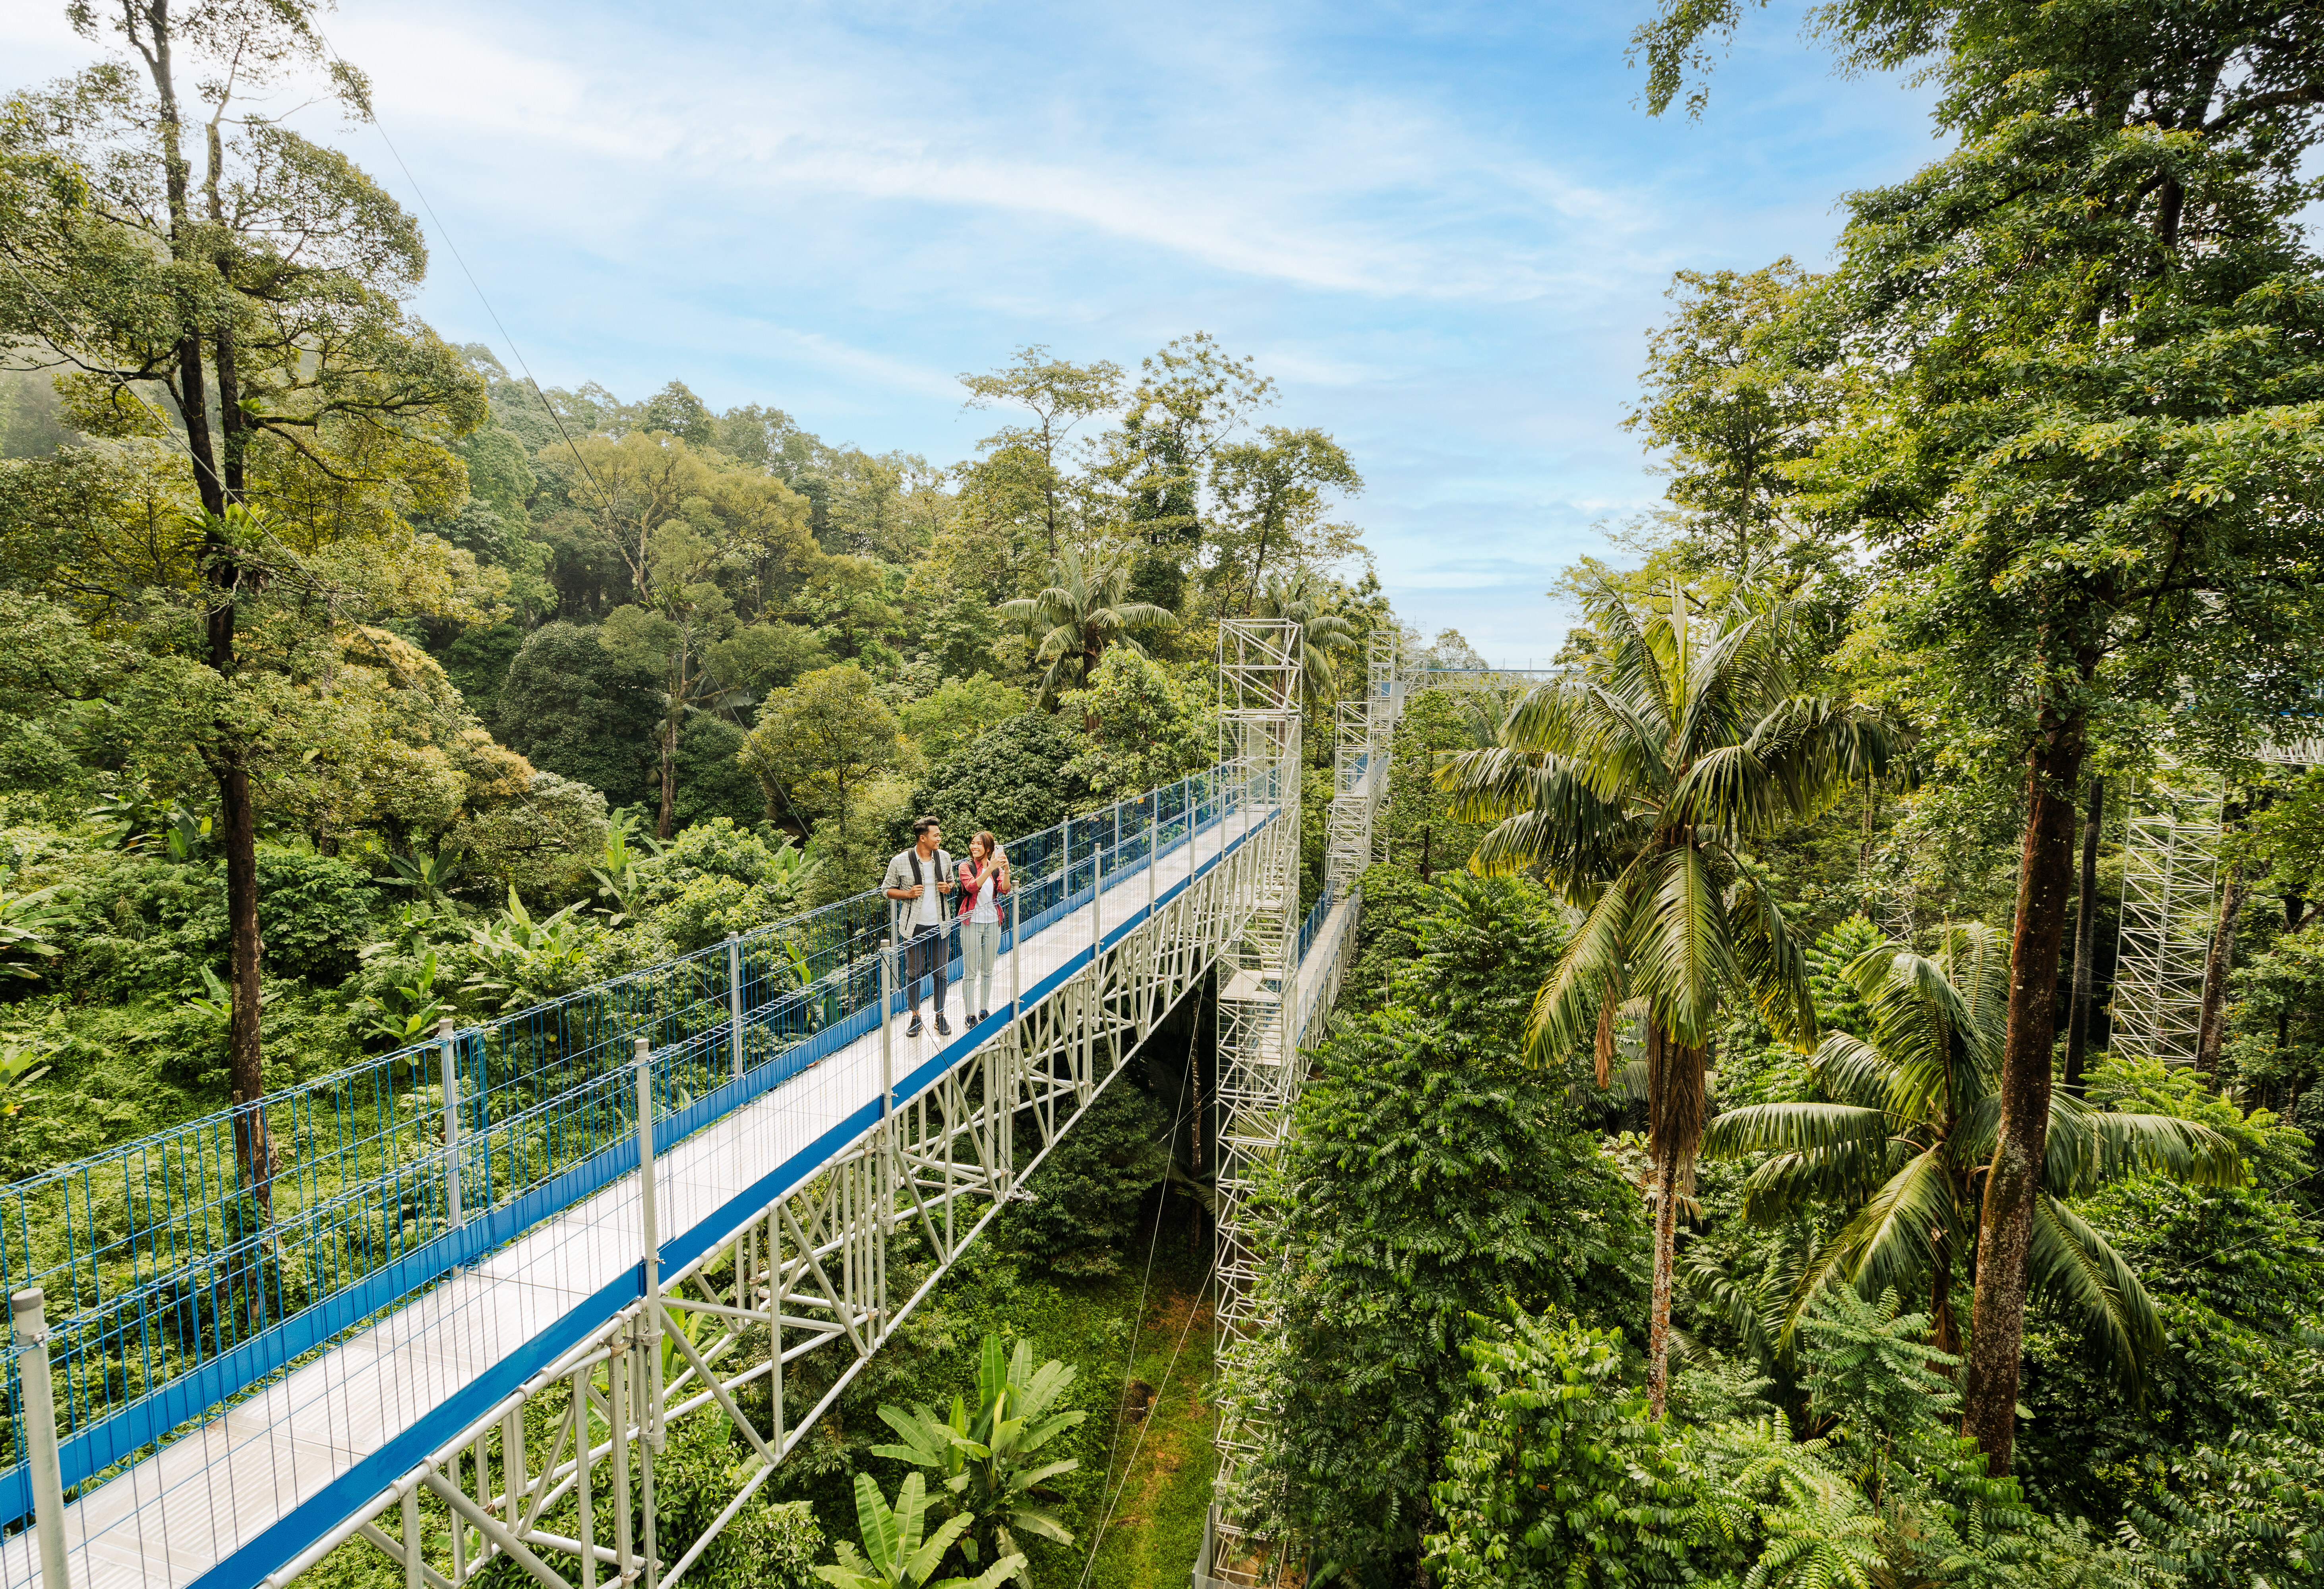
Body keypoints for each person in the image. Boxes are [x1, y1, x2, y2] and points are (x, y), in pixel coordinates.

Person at [882, 816, 957, 1037]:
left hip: (941, 925)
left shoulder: (944, 857)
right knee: (913, 973)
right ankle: (915, 1018)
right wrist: (907, 894)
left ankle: (940, 1016)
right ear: (923, 838)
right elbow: (886, 890)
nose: (940, 839)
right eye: (936, 835)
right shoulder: (900, 861)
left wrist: (949, 887)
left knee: (941, 973)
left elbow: (952, 881)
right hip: (913, 927)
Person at [954, 831, 1010, 1022]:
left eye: (979, 844)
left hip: (993, 922)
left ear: (989, 848)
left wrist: (1006, 869)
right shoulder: (966, 867)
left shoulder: (996, 869)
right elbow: (972, 887)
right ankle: (970, 1014)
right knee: (970, 971)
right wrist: (990, 868)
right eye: (972, 843)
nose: (974, 847)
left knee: (987, 970)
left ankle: (984, 1010)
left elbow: (1005, 889)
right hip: (972, 923)